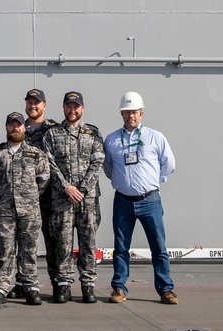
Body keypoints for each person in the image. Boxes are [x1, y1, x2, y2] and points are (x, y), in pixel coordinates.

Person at [103, 91, 178, 305]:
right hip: (123, 201)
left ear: (141, 113)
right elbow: (108, 167)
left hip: (150, 201)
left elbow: (169, 164)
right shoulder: (112, 139)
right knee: (121, 246)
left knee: (159, 247)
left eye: (134, 112)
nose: (131, 116)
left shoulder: (155, 137)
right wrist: (122, 182)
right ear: (121, 113)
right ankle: (119, 288)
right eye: (127, 112)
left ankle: (166, 290)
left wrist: (154, 182)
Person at [42, 91, 105, 304]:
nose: (72, 110)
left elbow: (97, 163)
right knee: (62, 243)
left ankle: (88, 285)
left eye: (76, 106)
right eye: (69, 106)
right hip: (62, 200)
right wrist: (67, 187)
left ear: (82, 108)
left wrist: (83, 189)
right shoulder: (52, 134)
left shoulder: (93, 133)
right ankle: (64, 285)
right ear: (63, 108)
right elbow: (49, 164)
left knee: (88, 243)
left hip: (87, 201)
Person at [0, 111, 50, 306]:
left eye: (18, 125)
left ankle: (30, 287)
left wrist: (27, 197)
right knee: (5, 250)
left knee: (29, 250)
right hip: (4, 211)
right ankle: (2, 286)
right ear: (6, 128)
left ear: (24, 128)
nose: (15, 128)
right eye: (11, 125)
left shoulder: (36, 154)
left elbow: (43, 181)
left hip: (29, 212)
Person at [21, 88, 59, 296]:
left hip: (50, 196)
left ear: (44, 105)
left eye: (37, 103)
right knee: (25, 241)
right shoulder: (18, 128)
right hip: (25, 198)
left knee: (53, 241)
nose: (33, 106)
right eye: (29, 102)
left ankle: (56, 283)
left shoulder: (54, 129)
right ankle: (23, 283)